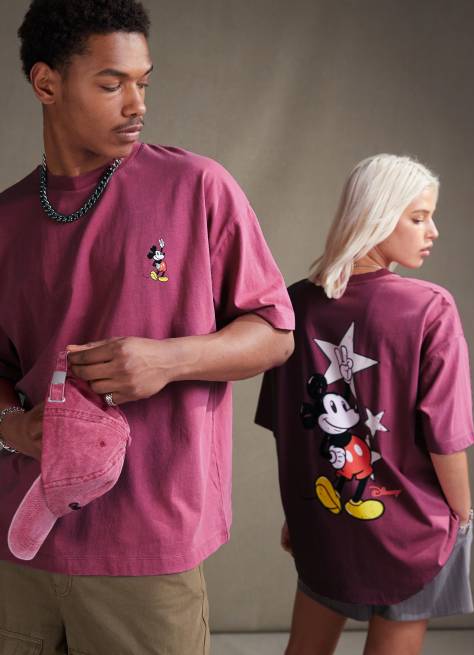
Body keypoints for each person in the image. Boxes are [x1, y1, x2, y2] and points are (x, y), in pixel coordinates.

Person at [0, 1, 294, 653]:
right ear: (46, 83)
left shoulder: (197, 186)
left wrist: (168, 359)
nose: (136, 104)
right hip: (17, 545)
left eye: (143, 82)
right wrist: (11, 426)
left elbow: (275, 333)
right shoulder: (6, 219)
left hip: (144, 550)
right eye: (112, 84)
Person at [256, 154, 474, 655]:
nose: (433, 231)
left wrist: (301, 514)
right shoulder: (430, 308)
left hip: (323, 517)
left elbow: (289, 427)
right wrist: (463, 518)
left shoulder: (295, 302)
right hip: (410, 527)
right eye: (418, 217)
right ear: (377, 215)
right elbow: (446, 436)